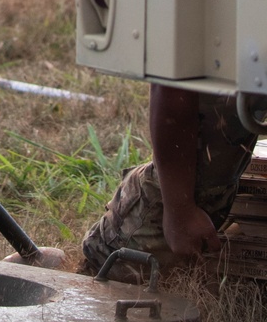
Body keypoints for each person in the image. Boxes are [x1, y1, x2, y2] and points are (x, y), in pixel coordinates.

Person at [81, 84, 255, 280]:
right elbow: (173, 85)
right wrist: (180, 210)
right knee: (208, 165)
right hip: (159, 213)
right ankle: (103, 260)